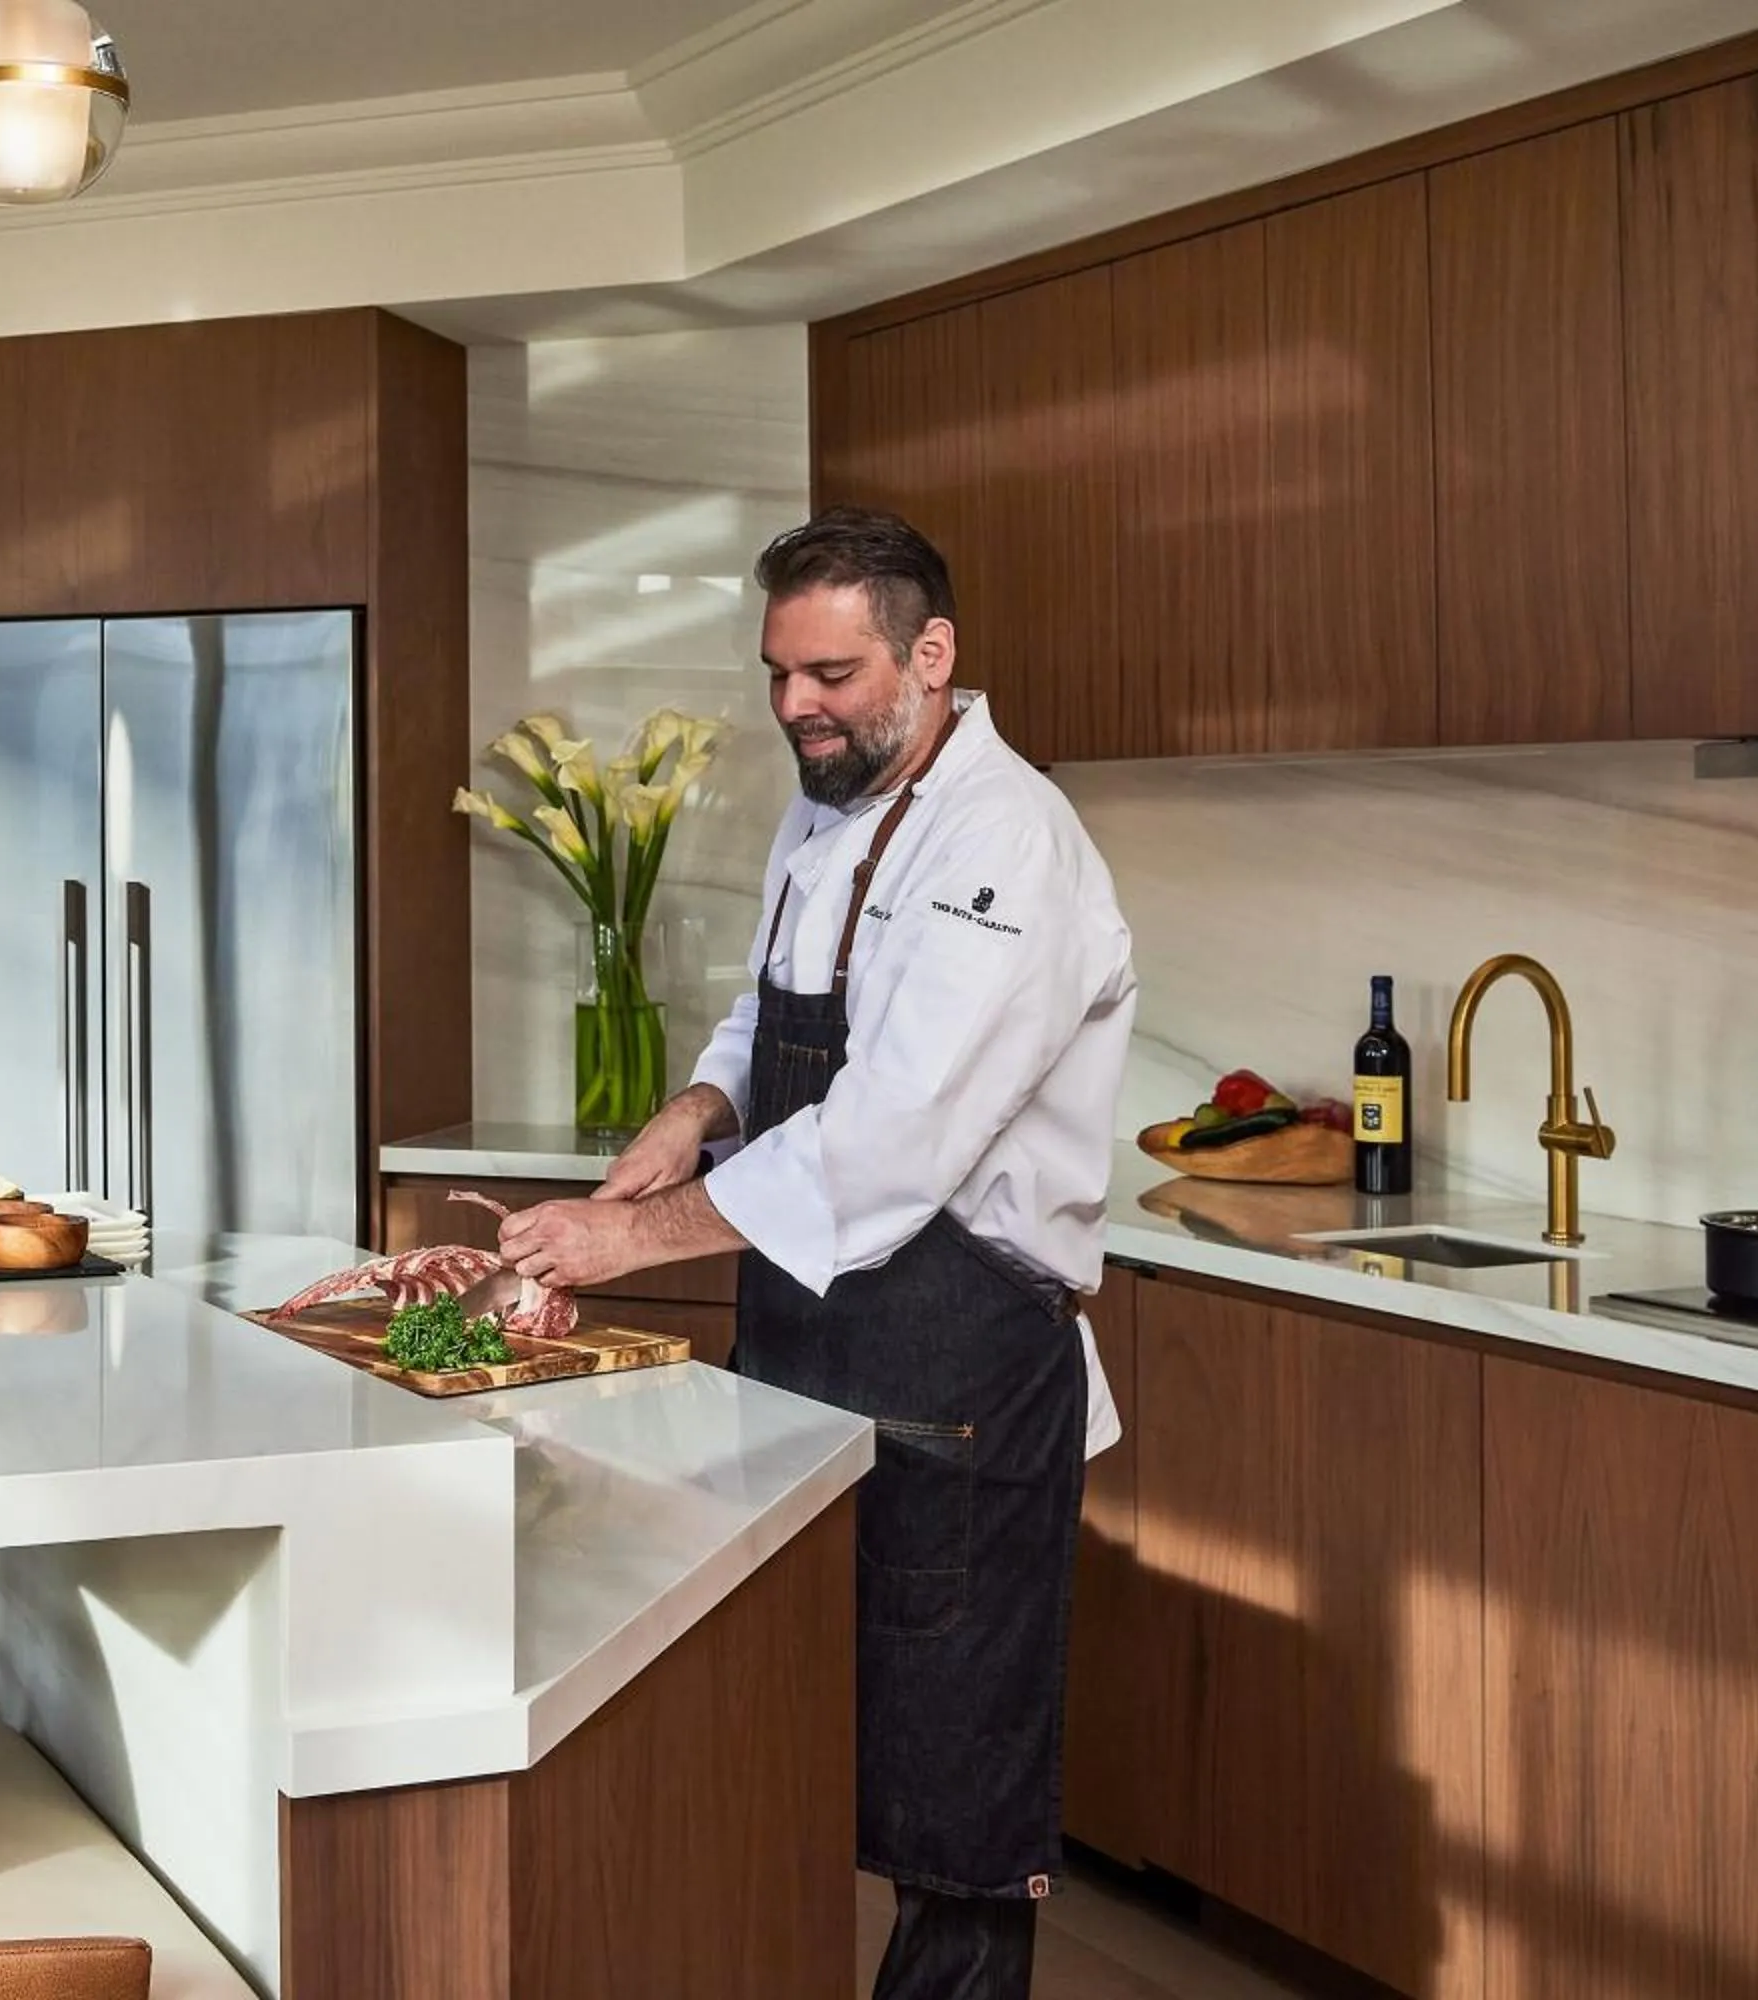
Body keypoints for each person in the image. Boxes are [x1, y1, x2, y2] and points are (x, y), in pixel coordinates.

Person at [495, 507, 1136, 2000]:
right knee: (791, 1719)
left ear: (934, 653)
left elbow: (892, 1137)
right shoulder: (830, 801)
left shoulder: (1012, 842)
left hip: (956, 1373)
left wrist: (622, 1236)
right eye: (779, 673)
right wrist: (697, 1109)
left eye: (831, 674)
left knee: (952, 1785)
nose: (795, 707)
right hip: (811, 1340)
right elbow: (771, 1006)